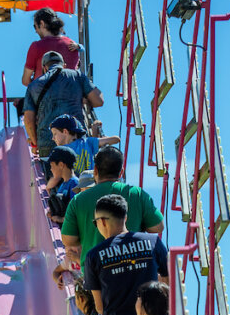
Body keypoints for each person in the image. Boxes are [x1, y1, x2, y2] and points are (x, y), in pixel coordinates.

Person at [84, 194, 168, 315]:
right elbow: (168, 286)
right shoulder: (153, 242)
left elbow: (99, 307)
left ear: (103, 221)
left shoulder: (94, 256)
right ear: (126, 218)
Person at [56, 145, 164, 279]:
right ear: (121, 172)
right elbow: (157, 227)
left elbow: (68, 240)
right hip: (134, 273)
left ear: (95, 170)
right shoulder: (137, 194)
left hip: (96, 276)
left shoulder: (78, 201)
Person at [23, 51, 103, 163]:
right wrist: (82, 99)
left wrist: (35, 143)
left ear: (44, 68)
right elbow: (99, 101)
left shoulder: (34, 85)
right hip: (76, 141)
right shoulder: (77, 76)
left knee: (52, 177)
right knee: (80, 177)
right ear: (64, 65)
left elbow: (28, 119)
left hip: (48, 144)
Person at [22, 7, 80, 84]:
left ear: (42, 24)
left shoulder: (37, 46)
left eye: (35, 26)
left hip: (45, 94)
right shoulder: (72, 45)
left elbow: (26, 81)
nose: (36, 31)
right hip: (71, 93)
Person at [50, 114, 121, 175]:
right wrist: (97, 132)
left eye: (55, 134)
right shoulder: (87, 142)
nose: (53, 138)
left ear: (65, 131)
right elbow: (116, 139)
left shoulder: (59, 152)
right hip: (91, 184)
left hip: (73, 187)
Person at [46, 146, 79, 224]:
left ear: (61, 165)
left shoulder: (75, 184)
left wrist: (60, 219)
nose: (51, 169)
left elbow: (76, 214)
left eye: (52, 165)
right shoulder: (63, 184)